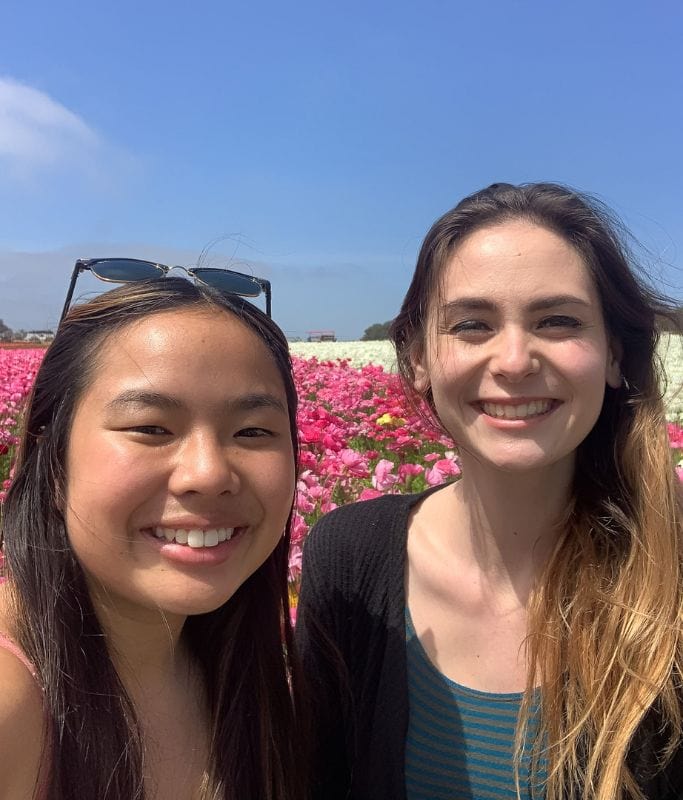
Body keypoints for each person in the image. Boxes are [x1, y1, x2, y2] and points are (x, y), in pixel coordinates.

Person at [297, 182, 683, 800]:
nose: (513, 360)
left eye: (558, 321)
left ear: (614, 353)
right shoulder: (346, 559)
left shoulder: (672, 578)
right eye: (471, 324)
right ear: (418, 357)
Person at [0, 277, 308, 800]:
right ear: (51, 463)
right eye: (151, 427)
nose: (209, 474)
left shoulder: (243, 676)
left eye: (253, 431)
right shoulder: (11, 701)